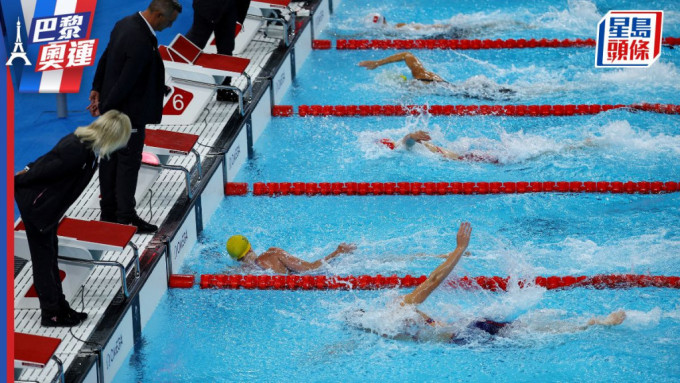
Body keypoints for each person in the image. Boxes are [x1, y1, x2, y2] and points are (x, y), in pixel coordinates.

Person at [353, 222, 626, 343]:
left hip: (461, 338)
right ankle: (593, 323)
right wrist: (459, 249)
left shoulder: (391, 331)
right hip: (468, 333)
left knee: (526, 329)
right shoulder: (401, 307)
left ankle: (591, 324)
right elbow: (434, 279)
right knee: (529, 328)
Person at [15, 111, 132, 327]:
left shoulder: (87, 148)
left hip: (48, 208)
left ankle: (60, 307)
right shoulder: (77, 149)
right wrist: (18, 179)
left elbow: (45, 163)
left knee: (50, 256)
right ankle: (51, 313)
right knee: (44, 261)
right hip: (38, 208)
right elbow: (42, 169)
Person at [88, 0, 182, 234]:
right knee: (127, 165)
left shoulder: (125, 23)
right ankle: (125, 218)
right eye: (169, 22)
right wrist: (105, 108)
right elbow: (126, 82)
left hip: (115, 108)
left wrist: (97, 87)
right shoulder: (140, 39)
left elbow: (107, 56)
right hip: (127, 115)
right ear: (159, 16)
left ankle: (108, 213)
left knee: (109, 160)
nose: (170, 27)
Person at [358, 52, 516, 100]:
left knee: (513, 95)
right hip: (467, 88)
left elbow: (407, 55)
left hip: (469, 90)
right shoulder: (419, 80)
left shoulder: (420, 76)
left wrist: (378, 62)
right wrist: (378, 63)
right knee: (515, 92)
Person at [186, 0, 251, 102]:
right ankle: (178, 80)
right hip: (207, 6)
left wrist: (239, 18)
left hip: (229, 7)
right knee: (195, 44)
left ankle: (225, 88)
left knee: (227, 47)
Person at [226, 235, 356, 274]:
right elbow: (311, 268)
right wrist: (338, 252)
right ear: (250, 248)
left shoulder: (239, 271)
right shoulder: (272, 254)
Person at [379, 130, 500, 163]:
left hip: (456, 159)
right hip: (451, 155)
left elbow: (407, 141)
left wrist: (412, 135)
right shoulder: (400, 144)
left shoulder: (401, 146)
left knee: (495, 160)